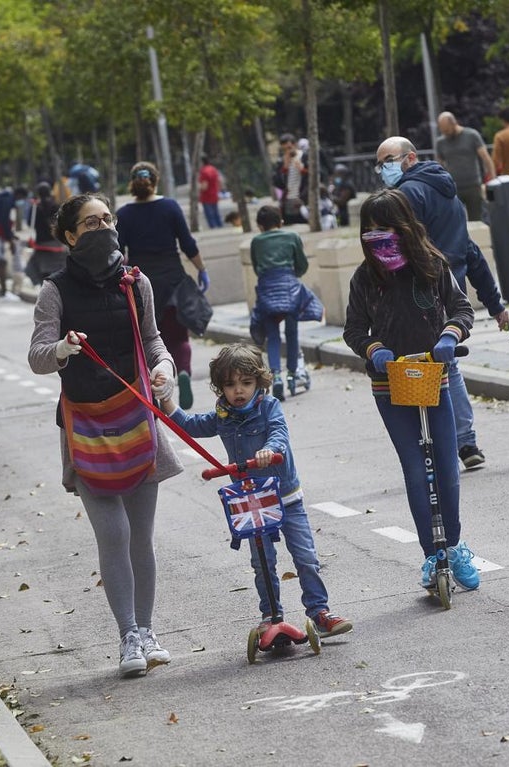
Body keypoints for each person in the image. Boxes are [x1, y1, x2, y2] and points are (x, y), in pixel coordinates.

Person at [27, 192, 183, 678]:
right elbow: (36, 355)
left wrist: (163, 369)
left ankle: (148, 631)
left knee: (141, 537)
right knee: (113, 535)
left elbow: (155, 338)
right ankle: (127, 638)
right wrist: (64, 349)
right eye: (91, 224)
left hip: (137, 419)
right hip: (87, 428)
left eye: (107, 220)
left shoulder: (136, 283)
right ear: (70, 236)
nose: (103, 229)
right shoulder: (54, 291)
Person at [158, 344, 353, 639]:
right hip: (251, 502)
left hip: (286, 497)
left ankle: (319, 611)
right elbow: (190, 425)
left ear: (258, 382)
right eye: (230, 384)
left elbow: (279, 433)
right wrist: (166, 399)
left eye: (246, 383)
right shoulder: (223, 416)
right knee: (262, 563)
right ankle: (270, 616)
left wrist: (269, 450)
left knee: (305, 557)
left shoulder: (269, 407)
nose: (238, 391)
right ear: (221, 387)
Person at [342, 188, 480, 593]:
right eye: (369, 230)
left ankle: (453, 546)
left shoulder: (432, 266)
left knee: (447, 467)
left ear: (404, 229)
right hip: (390, 384)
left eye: (385, 228)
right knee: (416, 471)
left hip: (435, 377)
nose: (377, 236)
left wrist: (450, 337)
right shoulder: (365, 279)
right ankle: (431, 554)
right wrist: (375, 349)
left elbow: (462, 309)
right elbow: (353, 329)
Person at [374, 135, 509, 469]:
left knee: (431, 366)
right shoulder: (449, 195)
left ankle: (448, 444)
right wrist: (494, 304)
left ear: (410, 157)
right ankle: (465, 442)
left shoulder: (404, 195)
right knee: (447, 366)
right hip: (451, 291)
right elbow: (470, 251)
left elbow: (394, 251)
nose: (382, 169)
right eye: (379, 164)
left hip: (420, 293)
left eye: (388, 160)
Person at [116, 161, 209, 410]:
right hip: (173, 282)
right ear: (155, 181)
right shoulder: (169, 207)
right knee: (179, 337)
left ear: (132, 183)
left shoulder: (124, 214)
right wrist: (201, 269)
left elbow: (118, 252)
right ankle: (184, 373)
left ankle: (157, 391)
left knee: (150, 340)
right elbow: (187, 244)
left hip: (141, 285)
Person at [250, 204, 314, 399]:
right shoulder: (292, 237)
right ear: (281, 221)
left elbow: (256, 267)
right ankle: (293, 375)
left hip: (267, 289)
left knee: (272, 335)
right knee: (292, 333)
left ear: (260, 226)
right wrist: (292, 275)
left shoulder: (256, 241)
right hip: (289, 287)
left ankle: (276, 376)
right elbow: (302, 264)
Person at [435, 111, 496, 222]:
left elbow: (486, 157)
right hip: (453, 187)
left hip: (473, 186)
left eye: (447, 130)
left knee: (476, 220)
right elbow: (439, 165)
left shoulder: (471, 135)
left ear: (454, 123)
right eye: (443, 131)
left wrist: (492, 178)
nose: (445, 134)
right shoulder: (441, 142)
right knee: (455, 220)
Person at [26, 182, 66, 283]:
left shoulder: (35, 207)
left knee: (42, 272)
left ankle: (45, 293)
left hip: (41, 243)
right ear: (50, 192)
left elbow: (29, 222)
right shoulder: (56, 206)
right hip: (56, 243)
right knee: (58, 270)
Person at [272, 133, 308, 225]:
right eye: (284, 149)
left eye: (289, 148)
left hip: (304, 199)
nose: (287, 151)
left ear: (294, 145)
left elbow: (315, 176)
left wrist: (302, 169)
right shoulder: (281, 161)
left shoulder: (304, 157)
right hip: (288, 201)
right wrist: (284, 168)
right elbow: (278, 183)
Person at [197, 155, 223, 229]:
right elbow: (220, 181)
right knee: (216, 214)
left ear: (202, 162)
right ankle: (220, 227)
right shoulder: (213, 169)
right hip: (214, 194)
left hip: (206, 196)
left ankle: (214, 229)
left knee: (210, 215)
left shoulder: (204, 171)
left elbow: (205, 186)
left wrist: (198, 189)